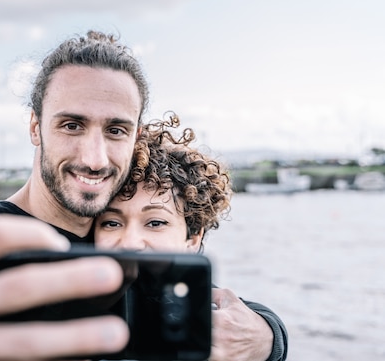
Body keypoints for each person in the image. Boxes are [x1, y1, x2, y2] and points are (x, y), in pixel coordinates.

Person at [0, 31, 284, 361]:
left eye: (116, 130)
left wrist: (266, 337)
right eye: (71, 125)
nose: (95, 157)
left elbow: (220, 315)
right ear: (34, 126)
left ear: (134, 136)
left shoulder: (119, 235)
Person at [94, 113, 288, 361]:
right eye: (111, 223)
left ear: (193, 237)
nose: (131, 242)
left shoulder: (201, 313)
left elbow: (252, 318)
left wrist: (269, 338)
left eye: (155, 222)